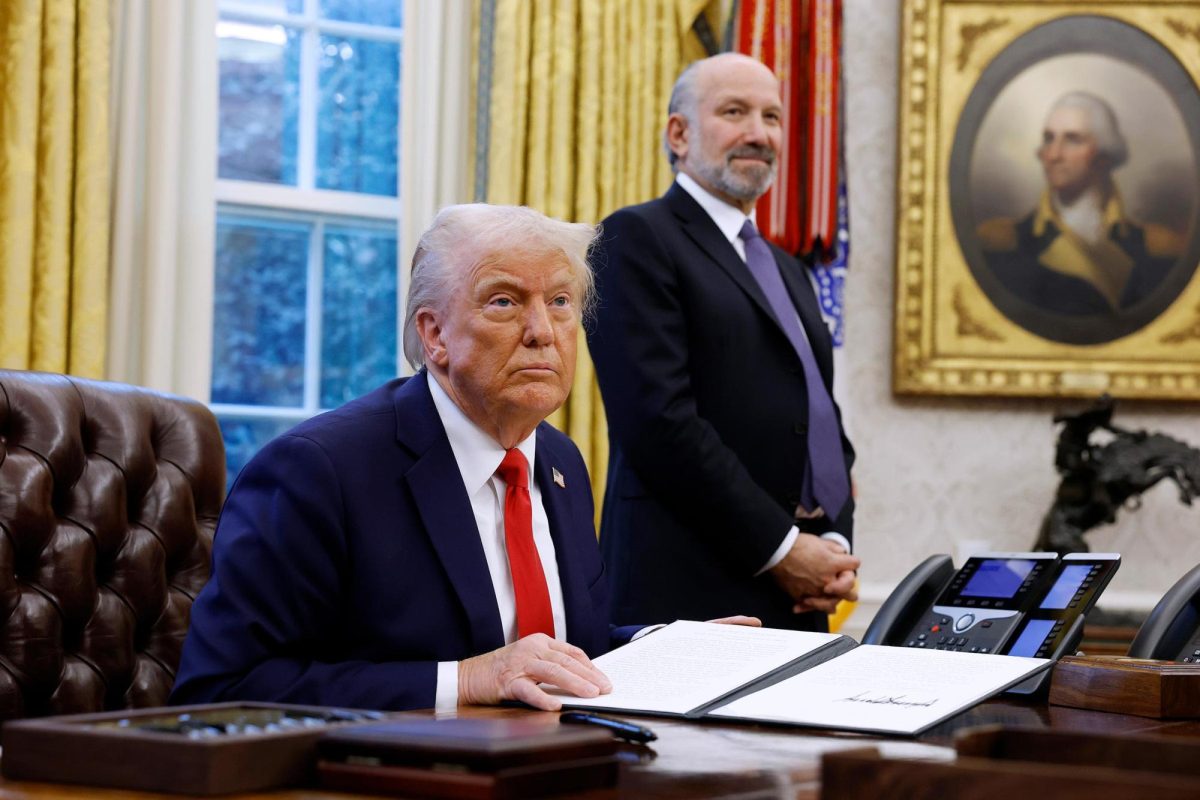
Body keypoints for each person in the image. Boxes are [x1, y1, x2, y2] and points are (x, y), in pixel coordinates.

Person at [173, 204, 624, 712]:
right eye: (504, 302)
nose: (542, 330)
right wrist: (467, 681)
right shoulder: (319, 471)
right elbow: (224, 689)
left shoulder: (560, 460)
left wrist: (682, 645)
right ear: (435, 335)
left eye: (561, 301)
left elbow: (563, 647)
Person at [586, 53, 859, 633]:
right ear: (678, 134)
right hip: (686, 593)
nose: (759, 133)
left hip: (800, 597)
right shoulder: (635, 237)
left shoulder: (789, 269)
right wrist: (784, 550)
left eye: (773, 117)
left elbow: (819, 419)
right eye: (735, 112)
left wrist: (831, 541)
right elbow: (659, 423)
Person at [978, 91, 1181, 316]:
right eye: (1048, 139)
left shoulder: (1158, 247)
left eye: (1072, 140)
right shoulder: (1001, 242)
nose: (1053, 154)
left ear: (1104, 155)